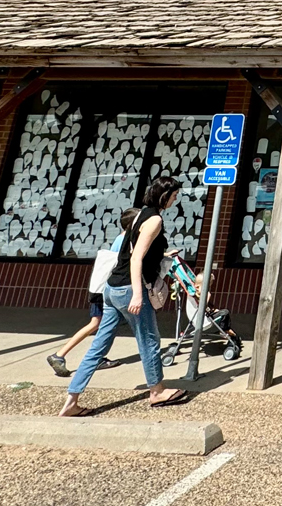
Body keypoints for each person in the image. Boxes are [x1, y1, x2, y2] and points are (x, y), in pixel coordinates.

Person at [59, 176, 189, 416]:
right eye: (174, 196)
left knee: (99, 345)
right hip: (129, 289)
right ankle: (157, 392)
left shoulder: (140, 215)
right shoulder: (155, 220)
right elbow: (137, 257)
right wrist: (138, 294)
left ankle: (71, 400)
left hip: (112, 288)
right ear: (164, 196)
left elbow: (133, 251)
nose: (175, 200)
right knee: (149, 340)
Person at [47, 208, 141, 377]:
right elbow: (135, 257)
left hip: (102, 288)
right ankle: (59, 355)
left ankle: (94, 357)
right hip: (106, 289)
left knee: (104, 325)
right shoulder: (124, 240)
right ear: (133, 225)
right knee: (96, 324)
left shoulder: (122, 239)